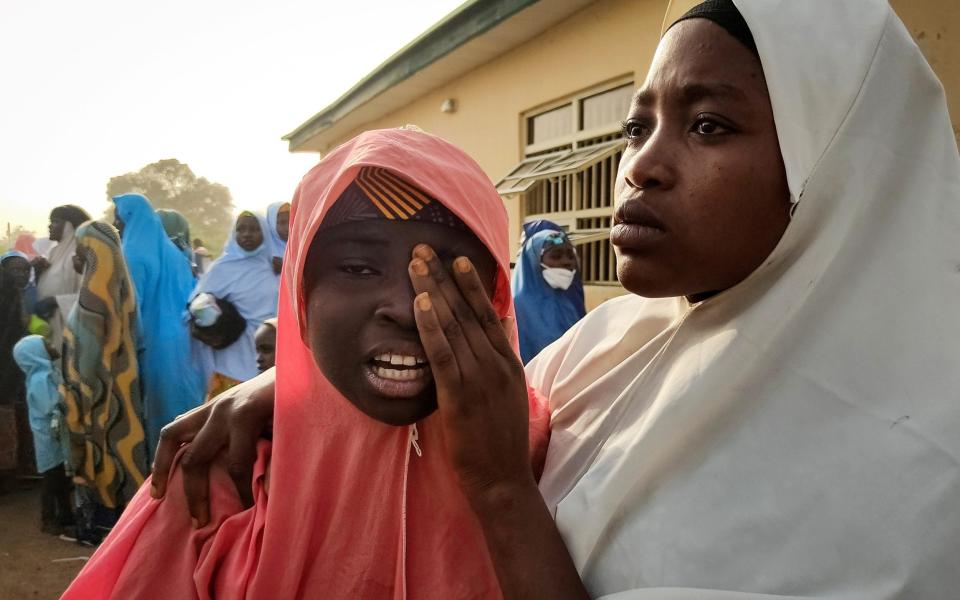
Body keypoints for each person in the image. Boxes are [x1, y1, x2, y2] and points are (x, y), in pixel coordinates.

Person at [146, 0, 960, 597]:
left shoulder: (920, 481)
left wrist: (502, 491)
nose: (639, 166)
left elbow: (497, 461)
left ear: (845, 170)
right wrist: (298, 382)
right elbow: (469, 403)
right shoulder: (617, 339)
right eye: (636, 128)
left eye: (708, 126)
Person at [63, 127, 552, 598]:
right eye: (358, 268)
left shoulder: (549, 456)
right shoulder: (222, 479)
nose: (405, 308)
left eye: (447, 273)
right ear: (300, 291)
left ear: (496, 295)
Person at [61, 220, 149, 544]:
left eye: (80, 251)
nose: (75, 259)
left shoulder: (92, 301)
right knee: (121, 457)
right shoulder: (122, 291)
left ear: (92, 253)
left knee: (100, 459)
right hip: (121, 395)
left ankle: (100, 526)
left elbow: (86, 363)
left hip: (93, 401)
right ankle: (122, 525)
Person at [113, 193, 206, 457]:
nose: (116, 225)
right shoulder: (175, 254)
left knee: (161, 411)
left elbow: (132, 307)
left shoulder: (134, 254)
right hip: (185, 337)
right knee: (187, 402)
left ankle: (163, 478)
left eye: (118, 219)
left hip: (155, 341)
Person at [190, 211, 279, 397]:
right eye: (241, 229)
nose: (247, 234)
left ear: (265, 232)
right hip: (232, 354)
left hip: (269, 351)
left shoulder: (275, 266)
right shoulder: (222, 268)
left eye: (255, 229)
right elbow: (195, 305)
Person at [12, 335, 73, 536]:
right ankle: (48, 519)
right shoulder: (41, 379)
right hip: (49, 438)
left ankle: (66, 515)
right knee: (52, 480)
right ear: (35, 353)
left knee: (61, 480)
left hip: (54, 436)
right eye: (46, 344)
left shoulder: (47, 373)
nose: (52, 345)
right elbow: (50, 406)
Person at [512, 229, 585, 363]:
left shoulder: (570, 301)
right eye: (556, 256)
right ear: (534, 261)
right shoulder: (516, 308)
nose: (567, 262)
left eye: (570, 256)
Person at [32, 205, 90, 353]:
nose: (50, 226)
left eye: (55, 222)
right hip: (48, 328)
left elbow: (90, 298)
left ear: (69, 227)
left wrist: (55, 301)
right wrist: (37, 273)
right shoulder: (53, 254)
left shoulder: (79, 257)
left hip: (69, 333)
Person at [0, 252, 31, 476]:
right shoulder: (9, 295)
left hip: (14, 372)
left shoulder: (22, 296)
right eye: (14, 270)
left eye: (25, 270)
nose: (19, 275)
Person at [265, 201, 290, 274]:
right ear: (271, 224)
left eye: (291, 221)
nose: (288, 227)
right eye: (282, 222)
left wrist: (285, 266)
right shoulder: (264, 252)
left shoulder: (301, 246)